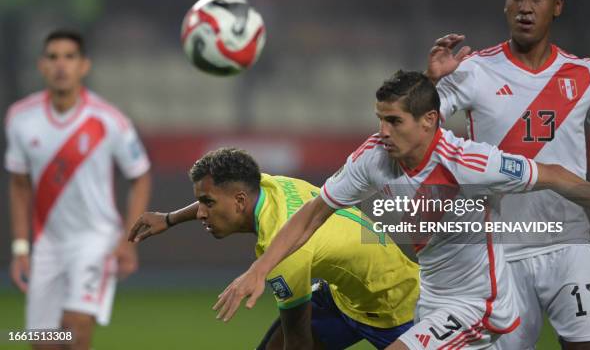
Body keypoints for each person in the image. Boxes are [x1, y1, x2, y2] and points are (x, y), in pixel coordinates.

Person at [212, 71, 590, 349]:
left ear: (429, 122)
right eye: (380, 119)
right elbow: (315, 213)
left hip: (478, 306)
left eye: (394, 121)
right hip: (431, 301)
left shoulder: (471, 164)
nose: (383, 131)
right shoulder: (373, 158)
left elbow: (557, 174)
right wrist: (259, 270)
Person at [425, 0, 590, 349]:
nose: (525, 7)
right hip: (499, 254)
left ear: (557, 5)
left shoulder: (586, 77)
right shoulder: (473, 70)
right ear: (505, 1)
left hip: (569, 244)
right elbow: (415, 129)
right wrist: (429, 83)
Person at [128, 147, 420, 350]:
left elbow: (299, 341)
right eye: (201, 202)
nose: (202, 213)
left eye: (208, 204)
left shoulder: (281, 250)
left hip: (397, 306)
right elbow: (222, 193)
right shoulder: (269, 185)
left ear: (240, 201)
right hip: (346, 297)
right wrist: (170, 218)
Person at [5, 29, 151, 350]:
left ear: (84, 65)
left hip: (95, 239)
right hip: (47, 245)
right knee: (43, 342)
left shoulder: (109, 120)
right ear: (41, 65)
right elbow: (18, 184)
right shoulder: (19, 118)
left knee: (75, 328)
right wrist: (20, 248)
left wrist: (129, 238)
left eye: (69, 57)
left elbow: (140, 175)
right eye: (53, 57)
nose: (61, 65)